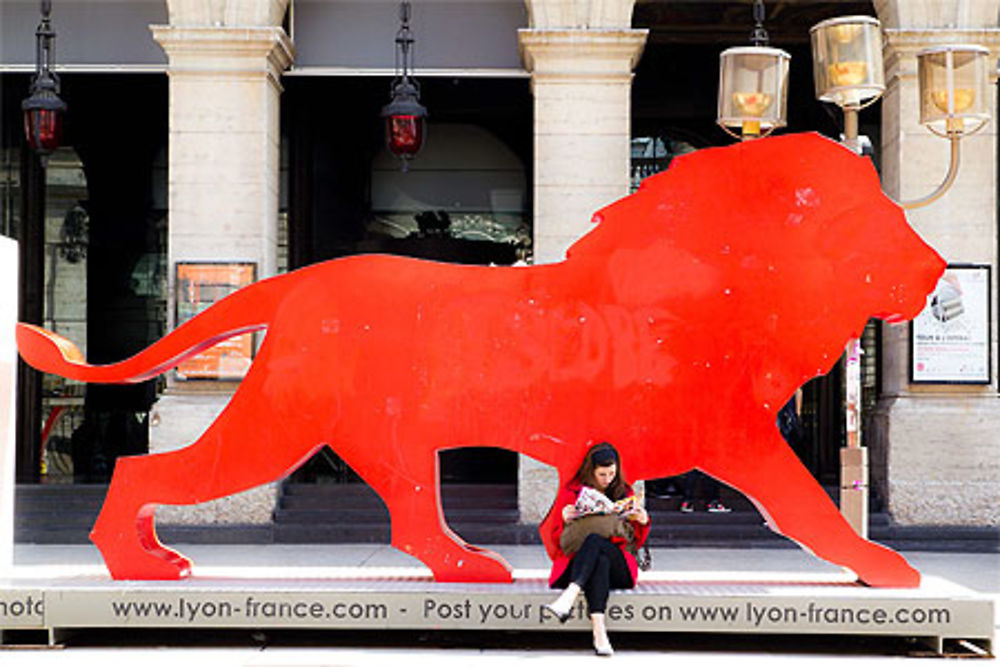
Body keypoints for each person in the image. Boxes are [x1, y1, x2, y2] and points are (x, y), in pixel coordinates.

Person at [544, 442, 650, 656]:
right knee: (597, 558)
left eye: (612, 473)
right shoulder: (572, 492)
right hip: (578, 561)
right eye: (602, 474)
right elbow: (556, 540)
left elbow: (635, 543)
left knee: (596, 543)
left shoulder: (624, 492)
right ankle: (599, 632)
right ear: (591, 472)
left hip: (618, 566)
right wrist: (564, 519)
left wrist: (643, 520)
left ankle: (569, 596)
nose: (607, 479)